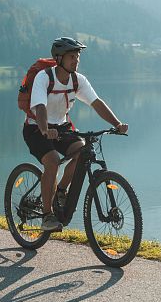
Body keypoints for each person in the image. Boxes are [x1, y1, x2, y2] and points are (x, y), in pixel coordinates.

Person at [22, 37, 128, 231]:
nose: (76, 60)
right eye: (72, 56)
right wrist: (45, 129)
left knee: (82, 152)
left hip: (62, 128)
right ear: (59, 58)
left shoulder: (78, 80)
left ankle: (60, 190)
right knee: (52, 161)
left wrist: (117, 123)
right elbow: (39, 106)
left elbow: (96, 103)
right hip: (36, 128)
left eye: (78, 56)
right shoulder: (44, 77)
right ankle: (47, 215)